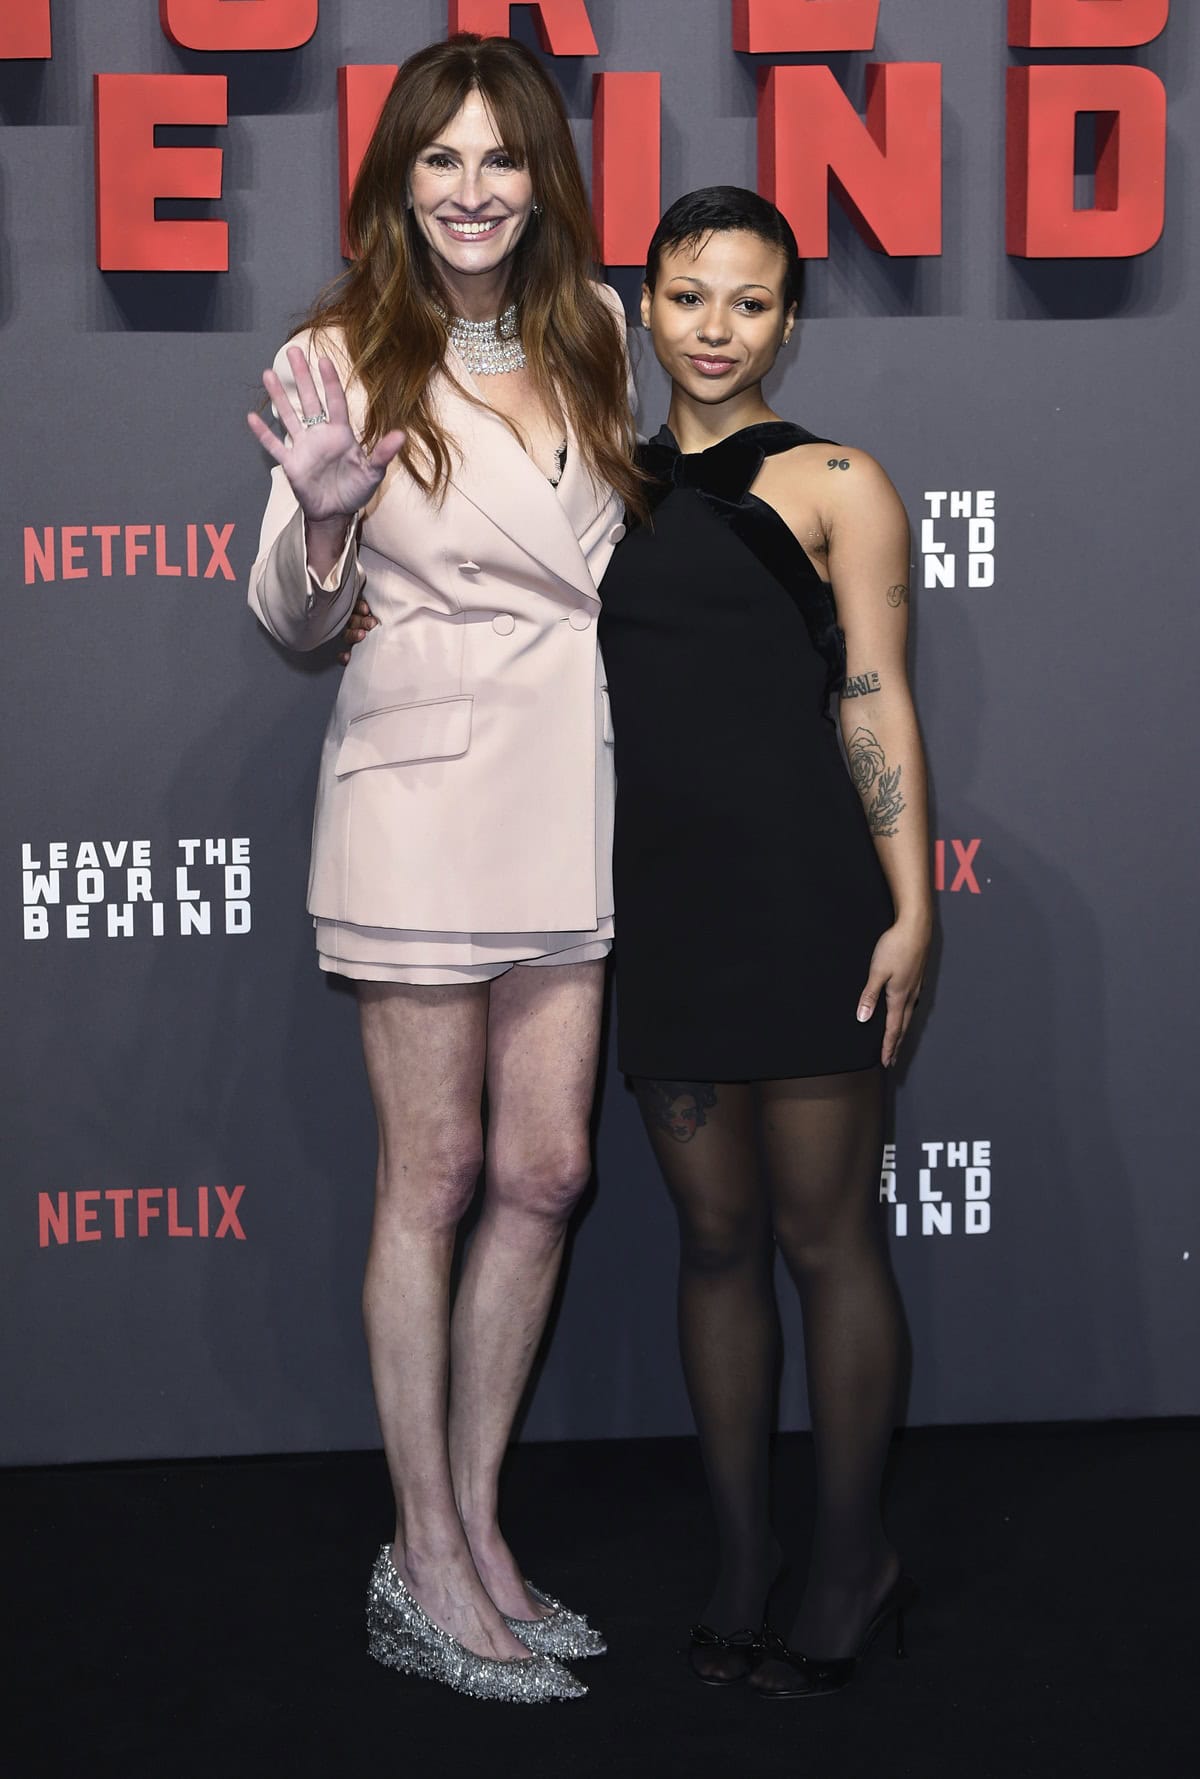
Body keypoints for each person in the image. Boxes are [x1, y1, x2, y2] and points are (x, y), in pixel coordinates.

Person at [245, 32, 640, 1704]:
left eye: (501, 159)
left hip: (567, 789)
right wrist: (328, 520)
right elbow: (287, 620)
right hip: (417, 799)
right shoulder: (339, 353)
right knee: (438, 1171)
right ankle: (416, 1556)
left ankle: (479, 1531)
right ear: (396, 182)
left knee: (547, 1172)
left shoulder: (601, 330)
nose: (472, 191)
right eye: (440, 160)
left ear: (542, 176)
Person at [595, 186, 930, 1698]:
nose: (716, 328)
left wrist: (912, 900)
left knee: (822, 1238)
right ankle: (742, 1553)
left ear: (789, 318)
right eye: (688, 296)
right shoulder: (598, 479)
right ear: (645, 307)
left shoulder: (841, 480)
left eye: (748, 301)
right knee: (715, 1243)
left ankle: (850, 1550)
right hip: (659, 910)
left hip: (806, 908)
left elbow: (871, 695)